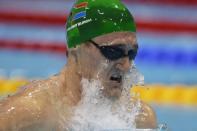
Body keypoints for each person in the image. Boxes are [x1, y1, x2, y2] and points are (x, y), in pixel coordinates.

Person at [0, 0, 157, 130]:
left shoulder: (139, 119)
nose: (126, 65)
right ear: (77, 50)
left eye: (131, 54)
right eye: (113, 51)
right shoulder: (29, 114)